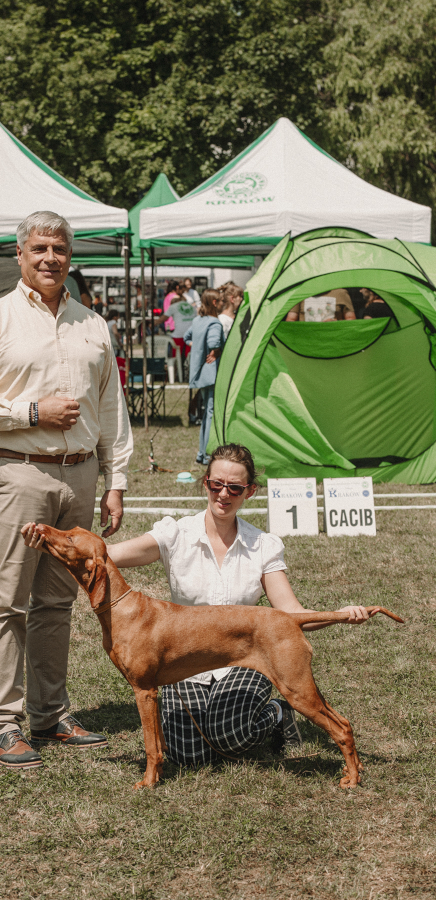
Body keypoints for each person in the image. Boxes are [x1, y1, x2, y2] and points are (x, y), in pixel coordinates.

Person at [0, 210, 133, 770]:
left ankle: (50, 715)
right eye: (39, 249)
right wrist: (31, 411)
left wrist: (115, 480)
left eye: (59, 248)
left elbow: (110, 408)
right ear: (20, 256)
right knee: (8, 600)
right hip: (18, 473)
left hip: (80, 475)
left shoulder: (92, 324)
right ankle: (3, 724)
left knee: (56, 602)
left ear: (69, 256)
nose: (50, 258)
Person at [106, 443, 374, 767]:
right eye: (216, 484)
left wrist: (342, 615)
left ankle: (277, 715)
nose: (223, 494)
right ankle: (238, 721)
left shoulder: (263, 546)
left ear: (250, 491)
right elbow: (105, 555)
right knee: (187, 755)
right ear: (205, 482)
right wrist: (58, 541)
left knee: (230, 735)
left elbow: (291, 614)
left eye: (234, 487)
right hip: (187, 660)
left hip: (246, 656)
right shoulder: (175, 534)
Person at [184, 289, 224, 465]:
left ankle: (202, 453)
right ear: (215, 303)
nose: (223, 303)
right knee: (210, 412)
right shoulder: (215, 323)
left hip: (200, 374)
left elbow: (187, 337)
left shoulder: (197, 320)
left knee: (206, 413)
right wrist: (216, 351)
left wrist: (196, 348)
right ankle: (207, 454)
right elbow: (213, 343)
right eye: (221, 301)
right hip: (212, 373)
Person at [286, 289, 356, 322]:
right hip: (307, 340)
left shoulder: (341, 293)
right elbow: (291, 319)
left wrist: (336, 322)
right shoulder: (299, 293)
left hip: (334, 339)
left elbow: (351, 320)